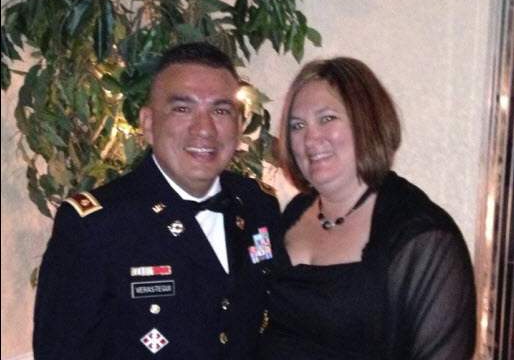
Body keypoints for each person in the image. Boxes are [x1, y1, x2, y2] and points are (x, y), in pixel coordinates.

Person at [33, 42, 279, 359]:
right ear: (148, 124)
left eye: (220, 111)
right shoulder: (96, 226)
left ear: (240, 126)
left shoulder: (258, 205)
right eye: (182, 109)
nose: (204, 129)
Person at [258, 57, 476, 360]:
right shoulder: (294, 211)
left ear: (367, 122)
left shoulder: (422, 235)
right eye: (297, 125)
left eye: (327, 118)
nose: (310, 137)